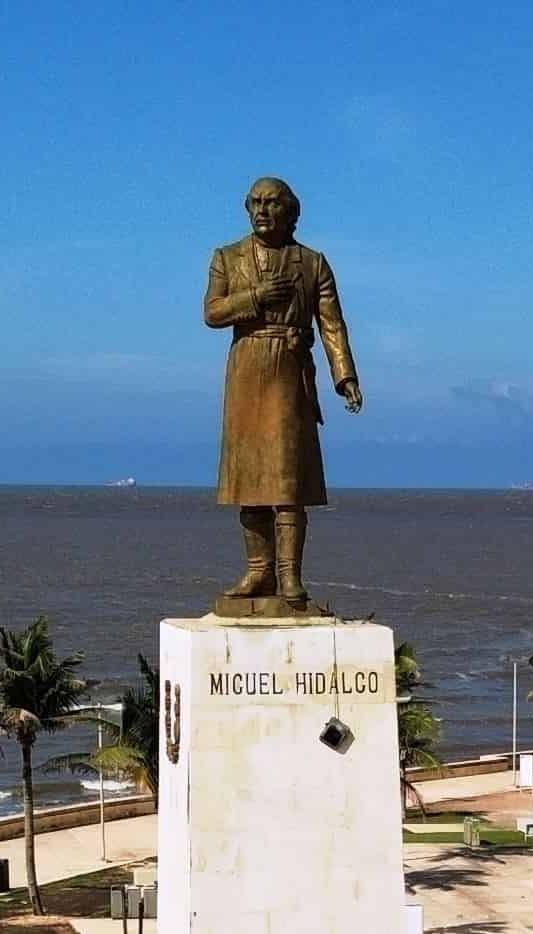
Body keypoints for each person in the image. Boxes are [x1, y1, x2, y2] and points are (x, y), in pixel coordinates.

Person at [202, 175, 360, 613]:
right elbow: (212, 312)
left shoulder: (312, 263)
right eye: (255, 203)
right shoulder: (227, 257)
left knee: (287, 477)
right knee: (248, 476)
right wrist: (254, 296)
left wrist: (344, 376)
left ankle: (289, 573)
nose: (262, 210)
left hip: (291, 367)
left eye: (272, 203)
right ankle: (259, 570)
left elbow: (332, 324)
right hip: (248, 366)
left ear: (291, 212)